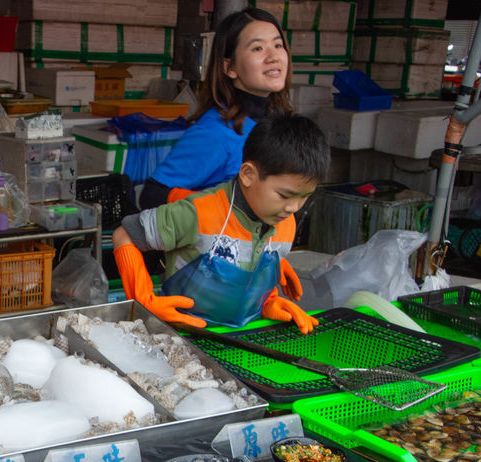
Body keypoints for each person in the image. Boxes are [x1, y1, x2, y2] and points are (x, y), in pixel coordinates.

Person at [113, 114, 329, 334]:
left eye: (304, 197)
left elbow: (249, 275)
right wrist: (143, 300)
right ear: (248, 175)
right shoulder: (198, 213)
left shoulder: (285, 222)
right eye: (285, 195)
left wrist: (267, 302)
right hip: (180, 336)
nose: (294, 207)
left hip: (242, 338)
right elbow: (125, 234)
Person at [138, 8, 293, 210]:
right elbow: (152, 195)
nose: (273, 56)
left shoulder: (281, 122)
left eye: (278, 45)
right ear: (229, 67)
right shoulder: (215, 133)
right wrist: (218, 209)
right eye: (258, 48)